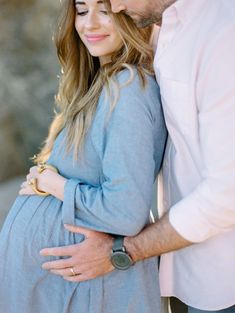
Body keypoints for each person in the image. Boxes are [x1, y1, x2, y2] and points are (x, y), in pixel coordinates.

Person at [40, 1, 235, 313]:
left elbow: (227, 194)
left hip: (223, 278)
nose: (115, 6)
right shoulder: (160, 25)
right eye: (82, 10)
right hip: (179, 268)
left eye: (107, 8)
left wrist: (124, 251)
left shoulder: (222, 34)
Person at [0, 0, 167, 312]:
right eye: (81, 10)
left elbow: (124, 213)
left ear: (127, 15)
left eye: (104, 11)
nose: (89, 24)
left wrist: (55, 185)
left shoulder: (129, 90)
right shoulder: (100, 86)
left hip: (88, 292)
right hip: (66, 290)